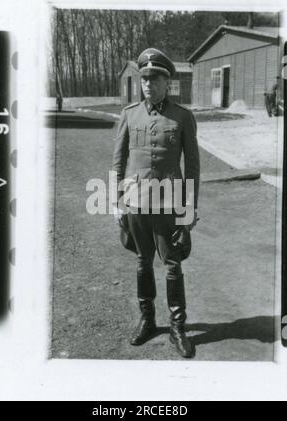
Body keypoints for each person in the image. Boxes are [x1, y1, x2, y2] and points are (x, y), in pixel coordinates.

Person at [112, 48, 200, 358]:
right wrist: (116, 202)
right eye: (144, 78)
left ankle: (178, 327)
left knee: (172, 264)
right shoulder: (129, 114)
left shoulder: (182, 116)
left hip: (168, 204)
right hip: (136, 203)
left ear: (167, 82)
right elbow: (119, 161)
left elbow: (193, 167)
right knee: (141, 261)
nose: (148, 84)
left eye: (154, 78)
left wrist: (189, 209)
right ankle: (148, 320)